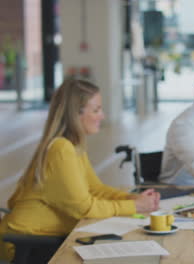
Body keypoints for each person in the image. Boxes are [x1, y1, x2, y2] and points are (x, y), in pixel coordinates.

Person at [0, 79, 160, 261]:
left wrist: (131, 198)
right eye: (96, 110)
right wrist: (134, 206)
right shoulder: (60, 149)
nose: (102, 116)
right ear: (75, 114)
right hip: (28, 242)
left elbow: (95, 189)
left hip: (45, 237)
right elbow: (84, 209)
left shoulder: (72, 146)